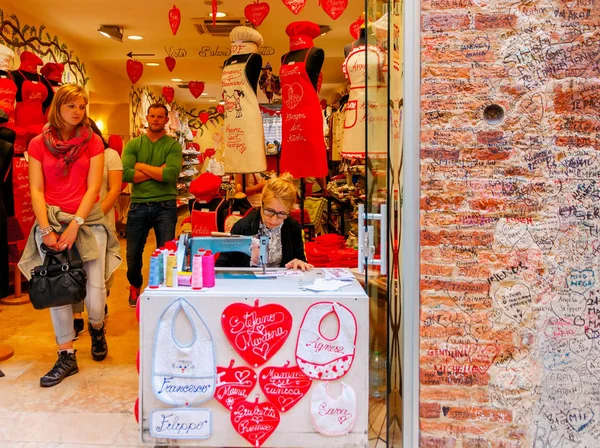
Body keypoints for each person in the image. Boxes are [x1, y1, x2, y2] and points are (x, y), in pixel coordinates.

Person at [18, 84, 121, 387]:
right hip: (51, 220)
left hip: (88, 222)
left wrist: (76, 223)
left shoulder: (92, 143)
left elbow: (93, 188)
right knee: (56, 289)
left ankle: (97, 326)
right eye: (72, 106)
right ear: (58, 107)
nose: (78, 112)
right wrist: (46, 228)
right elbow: (36, 189)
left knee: (95, 291)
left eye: (82, 106)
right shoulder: (38, 143)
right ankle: (66, 355)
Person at [122, 103, 182, 306]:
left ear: (166, 120)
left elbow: (171, 174)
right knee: (133, 252)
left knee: (166, 250)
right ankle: (134, 286)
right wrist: (157, 171)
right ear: (147, 118)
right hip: (138, 205)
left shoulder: (173, 146)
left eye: (160, 117)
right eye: (152, 116)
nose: (156, 119)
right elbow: (126, 174)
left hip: (165, 205)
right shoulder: (133, 145)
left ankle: (162, 288)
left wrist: (141, 166)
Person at [72, 119, 123, 339]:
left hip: (100, 219)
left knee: (99, 274)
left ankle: (97, 310)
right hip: (73, 221)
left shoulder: (110, 155)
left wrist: (94, 215)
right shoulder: (71, 154)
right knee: (75, 270)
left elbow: (114, 189)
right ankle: (76, 317)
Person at [215, 173, 313, 271]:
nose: (273, 220)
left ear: (289, 211)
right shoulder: (243, 227)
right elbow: (221, 264)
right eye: (269, 211)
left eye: (281, 214)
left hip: (282, 284)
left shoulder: (293, 227)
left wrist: (299, 262)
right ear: (261, 203)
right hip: (248, 284)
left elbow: (300, 260)